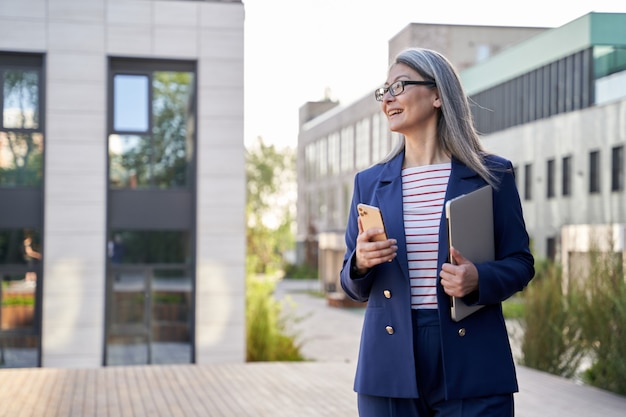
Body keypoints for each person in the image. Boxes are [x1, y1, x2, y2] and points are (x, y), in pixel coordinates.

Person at [340, 47, 535, 417]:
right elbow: (350, 284)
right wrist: (360, 264)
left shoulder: (491, 175)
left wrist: (479, 277)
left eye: (399, 85)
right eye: (385, 91)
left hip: (473, 359)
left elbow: (521, 263)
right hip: (389, 364)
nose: (389, 99)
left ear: (437, 95)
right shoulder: (369, 183)